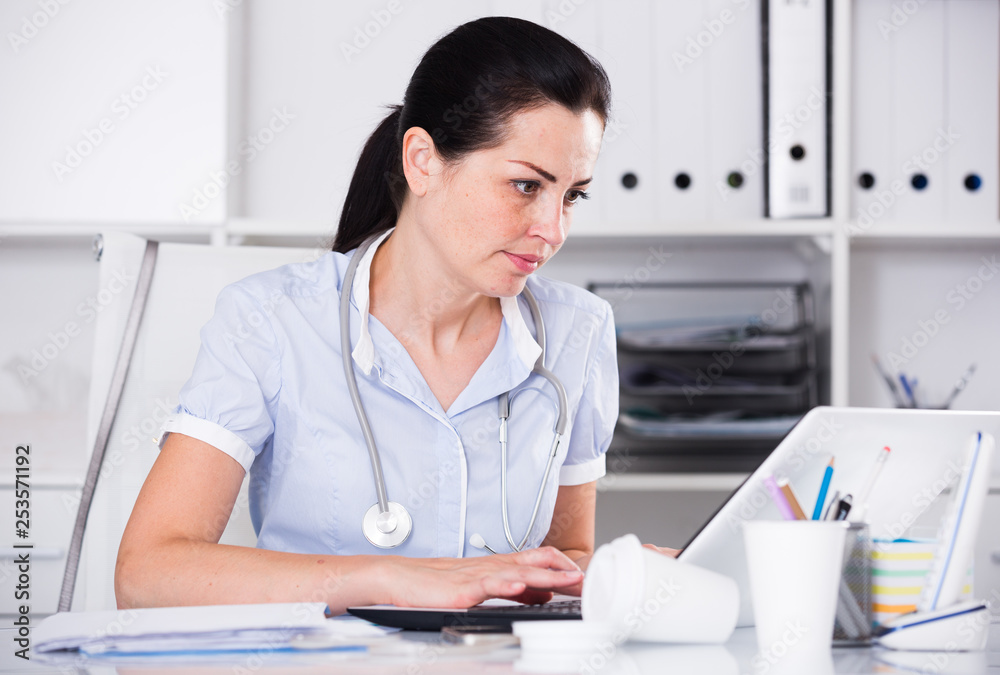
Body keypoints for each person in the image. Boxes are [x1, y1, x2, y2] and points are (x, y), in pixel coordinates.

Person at [116, 16, 670, 615]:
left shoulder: (577, 331)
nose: (553, 230)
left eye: (573, 195)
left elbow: (563, 556)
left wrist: (613, 574)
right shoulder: (269, 321)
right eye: (525, 186)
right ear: (423, 161)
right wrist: (396, 579)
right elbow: (147, 574)